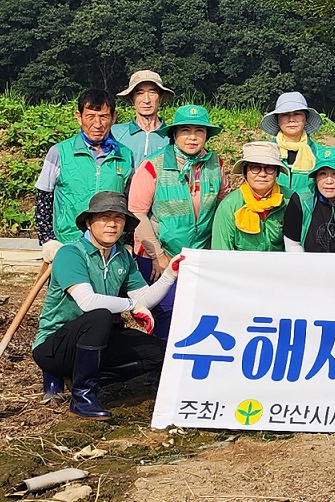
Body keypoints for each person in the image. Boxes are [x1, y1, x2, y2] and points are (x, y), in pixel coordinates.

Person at [32, 192, 175, 420]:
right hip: (55, 345)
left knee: (160, 353)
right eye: (104, 217)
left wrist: (169, 274)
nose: (112, 224)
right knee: (99, 316)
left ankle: (82, 377)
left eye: (118, 218)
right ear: (89, 222)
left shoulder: (123, 257)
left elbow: (144, 299)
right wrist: (131, 305)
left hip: (98, 340)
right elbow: (87, 302)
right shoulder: (70, 253)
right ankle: (83, 397)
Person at [126, 104, 225, 337]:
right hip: (159, 256)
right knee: (167, 316)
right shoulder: (153, 165)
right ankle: (159, 369)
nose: (192, 137)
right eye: (185, 131)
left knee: (196, 315)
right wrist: (158, 255)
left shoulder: (215, 164)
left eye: (199, 131)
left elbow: (221, 202)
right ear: (174, 134)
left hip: (198, 256)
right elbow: (138, 213)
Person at [35, 89, 134, 249]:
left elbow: (130, 203)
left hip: (110, 246)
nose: (97, 124)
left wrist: (128, 242)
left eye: (104, 117)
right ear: (79, 117)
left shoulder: (125, 156)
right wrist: (48, 241)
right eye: (90, 117)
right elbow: (43, 199)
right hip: (67, 243)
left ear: (114, 117)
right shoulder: (60, 152)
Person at [212, 141, 290, 252]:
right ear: (245, 172)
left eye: (270, 168)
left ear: (277, 173)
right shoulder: (229, 206)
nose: (262, 174)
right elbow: (221, 251)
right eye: (255, 168)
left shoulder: (290, 200)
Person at [261, 91, 324, 200]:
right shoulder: (265, 152)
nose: (291, 119)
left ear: (306, 118)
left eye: (297, 114)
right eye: (285, 114)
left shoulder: (319, 153)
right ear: (277, 120)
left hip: (308, 214)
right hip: (273, 213)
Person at [112, 70, 174, 165]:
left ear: (160, 97)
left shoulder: (173, 136)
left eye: (152, 92)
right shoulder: (115, 133)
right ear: (131, 98)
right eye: (139, 93)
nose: (146, 100)